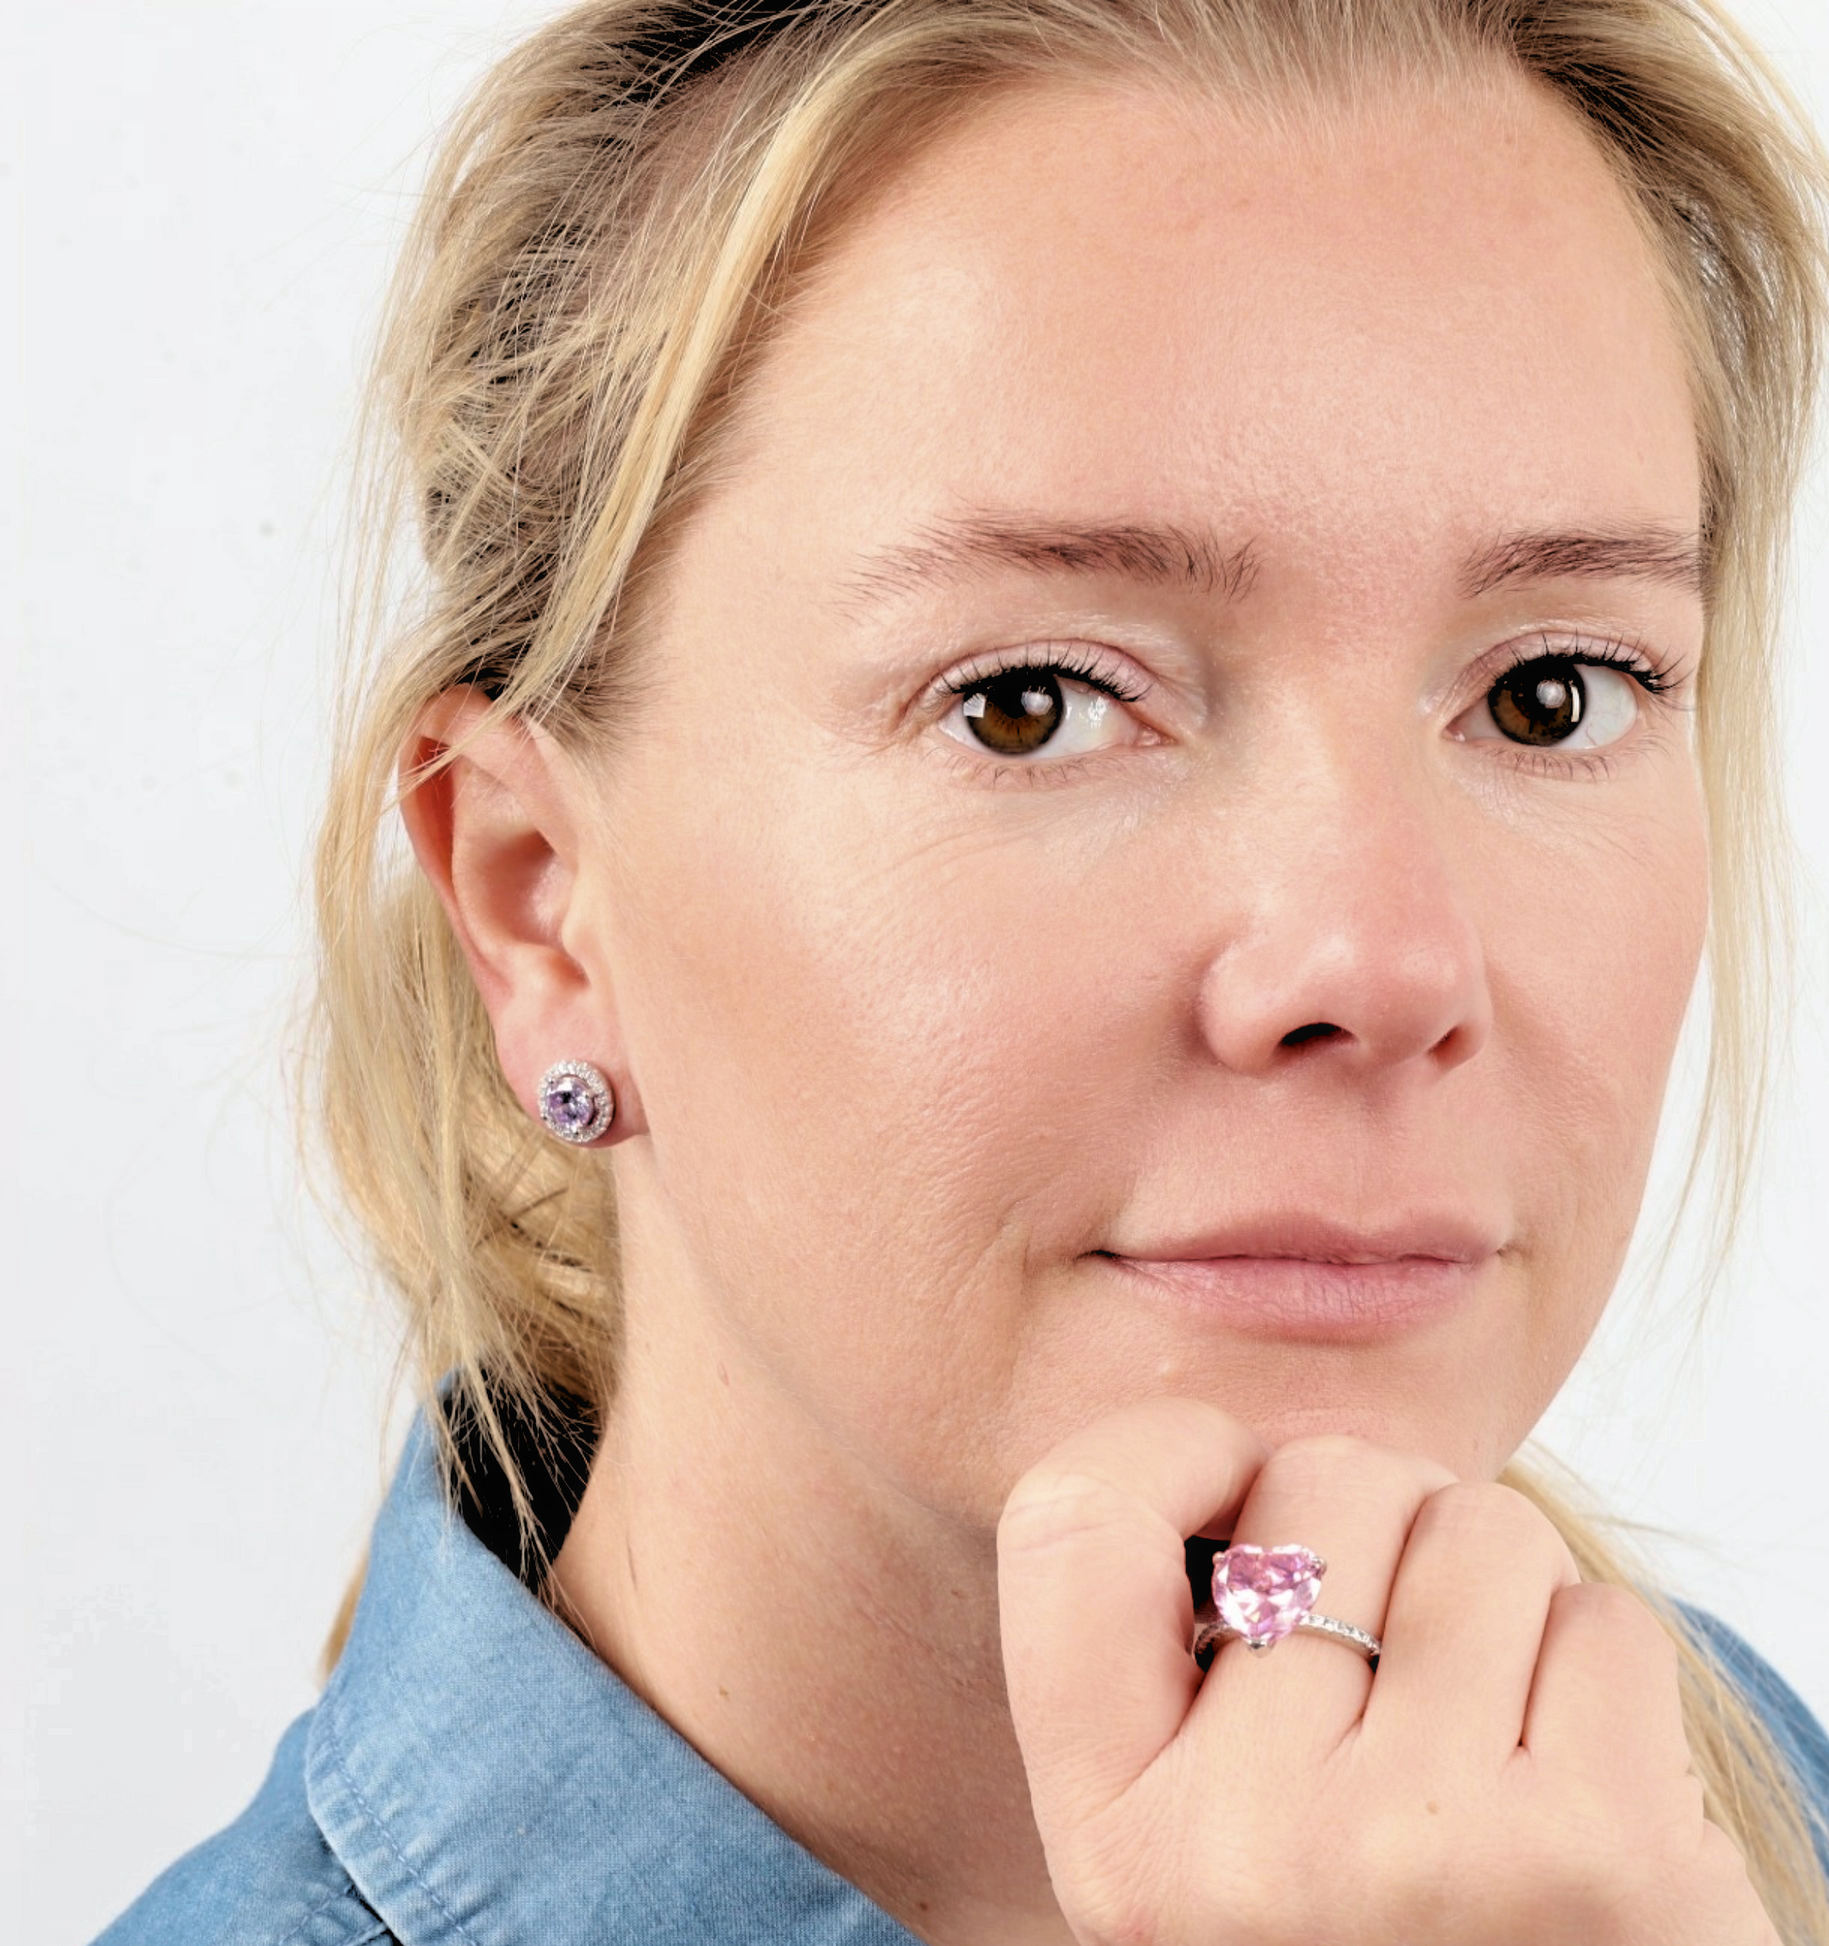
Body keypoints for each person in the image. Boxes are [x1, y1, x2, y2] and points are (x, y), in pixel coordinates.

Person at [95, 0, 1829, 1939]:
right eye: (1029, 703)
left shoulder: (1721, 1810)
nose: (1382, 957)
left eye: (1549, 690)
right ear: (533, 900)